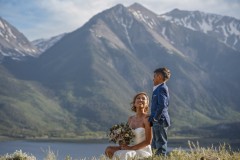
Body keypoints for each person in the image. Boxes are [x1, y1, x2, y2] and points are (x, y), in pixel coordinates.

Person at [105, 92, 153, 159]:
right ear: (134, 103)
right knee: (109, 149)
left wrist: (131, 148)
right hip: (130, 146)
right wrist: (120, 140)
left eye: (143, 99)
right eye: (138, 98)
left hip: (142, 150)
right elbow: (127, 137)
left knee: (126, 154)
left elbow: (148, 141)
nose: (141, 100)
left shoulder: (147, 118)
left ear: (147, 103)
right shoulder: (130, 119)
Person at [148, 67, 171, 156]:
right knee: (154, 144)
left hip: (160, 120)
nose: (153, 78)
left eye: (154, 76)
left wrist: (155, 118)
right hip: (156, 121)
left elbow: (162, 105)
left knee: (160, 144)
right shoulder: (158, 88)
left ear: (159, 77)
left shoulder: (162, 88)